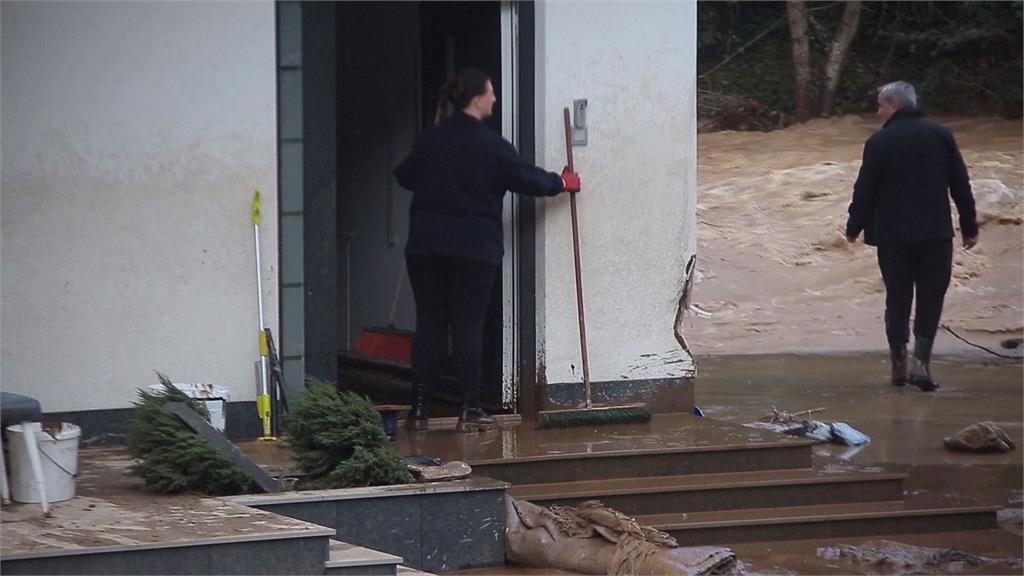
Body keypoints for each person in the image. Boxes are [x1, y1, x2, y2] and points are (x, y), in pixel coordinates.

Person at [394, 67, 581, 432]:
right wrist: (561, 182)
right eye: (491, 92)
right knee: (467, 327)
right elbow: (526, 179)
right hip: (473, 250)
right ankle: (469, 408)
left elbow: (405, 176)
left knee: (429, 325)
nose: (495, 98)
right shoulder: (493, 146)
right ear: (478, 98)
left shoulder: (430, 139)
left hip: (425, 248)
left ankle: (418, 410)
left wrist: (432, 153)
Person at [845, 81, 978, 391]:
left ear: (894, 105)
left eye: (880, 105)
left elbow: (865, 189)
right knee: (931, 297)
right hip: (936, 235)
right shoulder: (941, 135)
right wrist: (969, 225)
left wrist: (854, 226)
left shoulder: (879, 142)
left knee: (898, 299)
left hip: (894, 237)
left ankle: (898, 365)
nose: (878, 112)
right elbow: (960, 183)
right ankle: (922, 363)